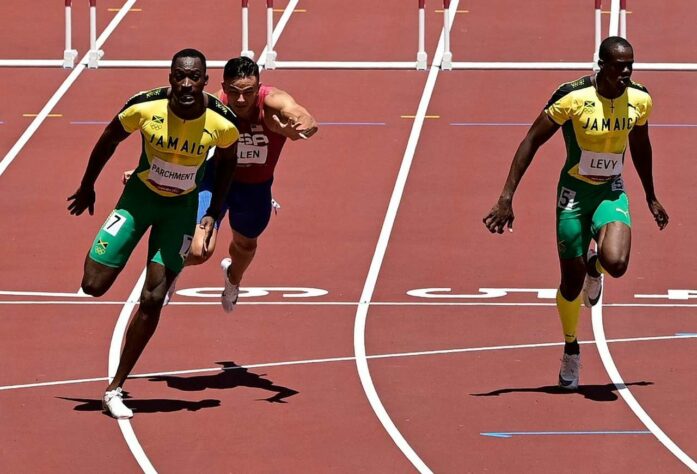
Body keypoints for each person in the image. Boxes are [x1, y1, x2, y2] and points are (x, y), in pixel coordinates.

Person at [483, 37, 669, 390]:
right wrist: (506, 197)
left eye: (630, 64)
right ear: (601, 64)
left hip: (610, 190)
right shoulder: (573, 97)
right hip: (573, 194)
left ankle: (594, 269)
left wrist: (651, 196)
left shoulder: (640, 100)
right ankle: (571, 347)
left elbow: (640, 144)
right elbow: (531, 140)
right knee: (570, 285)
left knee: (616, 263)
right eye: (619, 66)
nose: (626, 72)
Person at [67, 49, 240, 419]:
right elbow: (108, 140)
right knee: (93, 284)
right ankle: (115, 255)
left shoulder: (222, 122)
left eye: (194, 77)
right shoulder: (144, 107)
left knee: (153, 297)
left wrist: (212, 213)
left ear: (206, 82)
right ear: (171, 77)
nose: (187, 84)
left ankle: (115, 388)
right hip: (138, 201)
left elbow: (228, 164)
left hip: (179, 211)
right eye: (180, 76)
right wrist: (87, 186)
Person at [158, 56, 318, 311]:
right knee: (198, 250)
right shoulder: (213, 105)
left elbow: (304, 117)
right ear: (224, 87)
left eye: (248, 92)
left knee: (245, 246)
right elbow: (178, 142)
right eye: (234, 92)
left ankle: (233, 279)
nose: (241, 100)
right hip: (216, 180)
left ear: (258, 87)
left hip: (255, 190)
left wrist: (299, 127)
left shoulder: (272, 103)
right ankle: (170, 272)